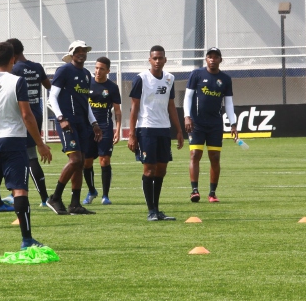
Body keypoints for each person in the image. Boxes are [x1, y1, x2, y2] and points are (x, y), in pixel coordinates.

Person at [0, 42, 52, 251]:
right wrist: (40, 144)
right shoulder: (17, 81)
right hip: (13, 142)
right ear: (13, 59)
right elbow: (26, 115)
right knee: (19, 190)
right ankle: (27, 240)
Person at [46, 40, 103, 215]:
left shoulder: (86, 74)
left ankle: (75, 204)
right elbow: (52, 97)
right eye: (78, 50)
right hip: (67, 122)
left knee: (81, 163)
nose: (81, 53)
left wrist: (94, 124)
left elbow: (85, 103)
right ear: (71, 53)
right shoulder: (64, 70)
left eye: (84, 50)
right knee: (76, 160)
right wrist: (61, 118)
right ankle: (54, 197)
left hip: (82, 124)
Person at [128, 45, 184, 221]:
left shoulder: (169, 78)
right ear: (149, 60)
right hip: (146, 129)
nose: (158, 61)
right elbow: (134, 107)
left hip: (164, 130)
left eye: (161, 58)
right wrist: (131, 134)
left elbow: (171, 105)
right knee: (149, 170)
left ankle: (157, 209)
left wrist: (179, 131)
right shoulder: (141, 79)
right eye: (155, 58)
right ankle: (151, 210)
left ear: (165, 59)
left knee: (161, 170)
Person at [184, 47, 238, 203]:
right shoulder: (197, 74)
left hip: (215, 124)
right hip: (197, 123)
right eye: (210, 56)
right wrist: (187, 116)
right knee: (195, 155)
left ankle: (212, 193)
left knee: (215, 157)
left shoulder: (225, 79)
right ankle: (194, 191)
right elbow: (188, 97)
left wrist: (233, 124)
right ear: (206, 59)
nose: (212, 59)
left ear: (221, 60)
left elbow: (228, 103)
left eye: (216, 57)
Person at [8, 38, 52, 206]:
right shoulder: (36, 66)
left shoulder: (15, 70)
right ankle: (18, 194)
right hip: (36, 112)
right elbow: (48, 86)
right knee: (27, 153)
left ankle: (42, 197)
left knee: (28, 156)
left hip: (22, 114)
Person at [81, 56, 122, 205]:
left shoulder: (112, 87)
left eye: (101, 69)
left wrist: (118, 129)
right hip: (88, 127)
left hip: (105, 127)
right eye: (96, 68)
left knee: (104, 160)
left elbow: (117, 110)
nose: (98, 71)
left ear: (108, 71)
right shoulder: (87, 84)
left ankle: (105, 196)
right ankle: (91, 191)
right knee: (87, 162)